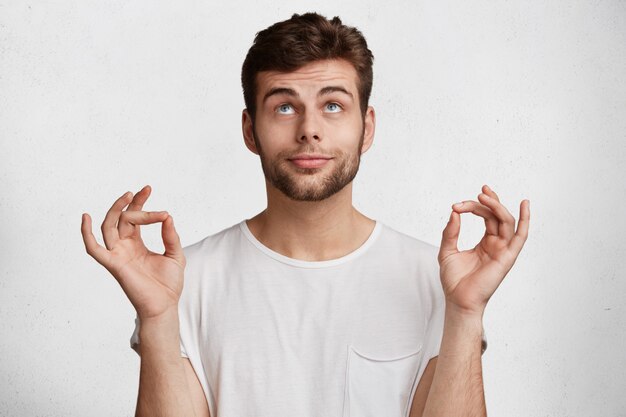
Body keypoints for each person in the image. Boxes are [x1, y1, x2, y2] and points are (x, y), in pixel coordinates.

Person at [80, 12, 530, 417]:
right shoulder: (183, 281)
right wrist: (158, 319)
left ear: (366, 127)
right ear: (250, 130)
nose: (309, 129)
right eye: (284, 106)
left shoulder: (436, 280)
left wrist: (467, 311)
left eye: (333, 105)